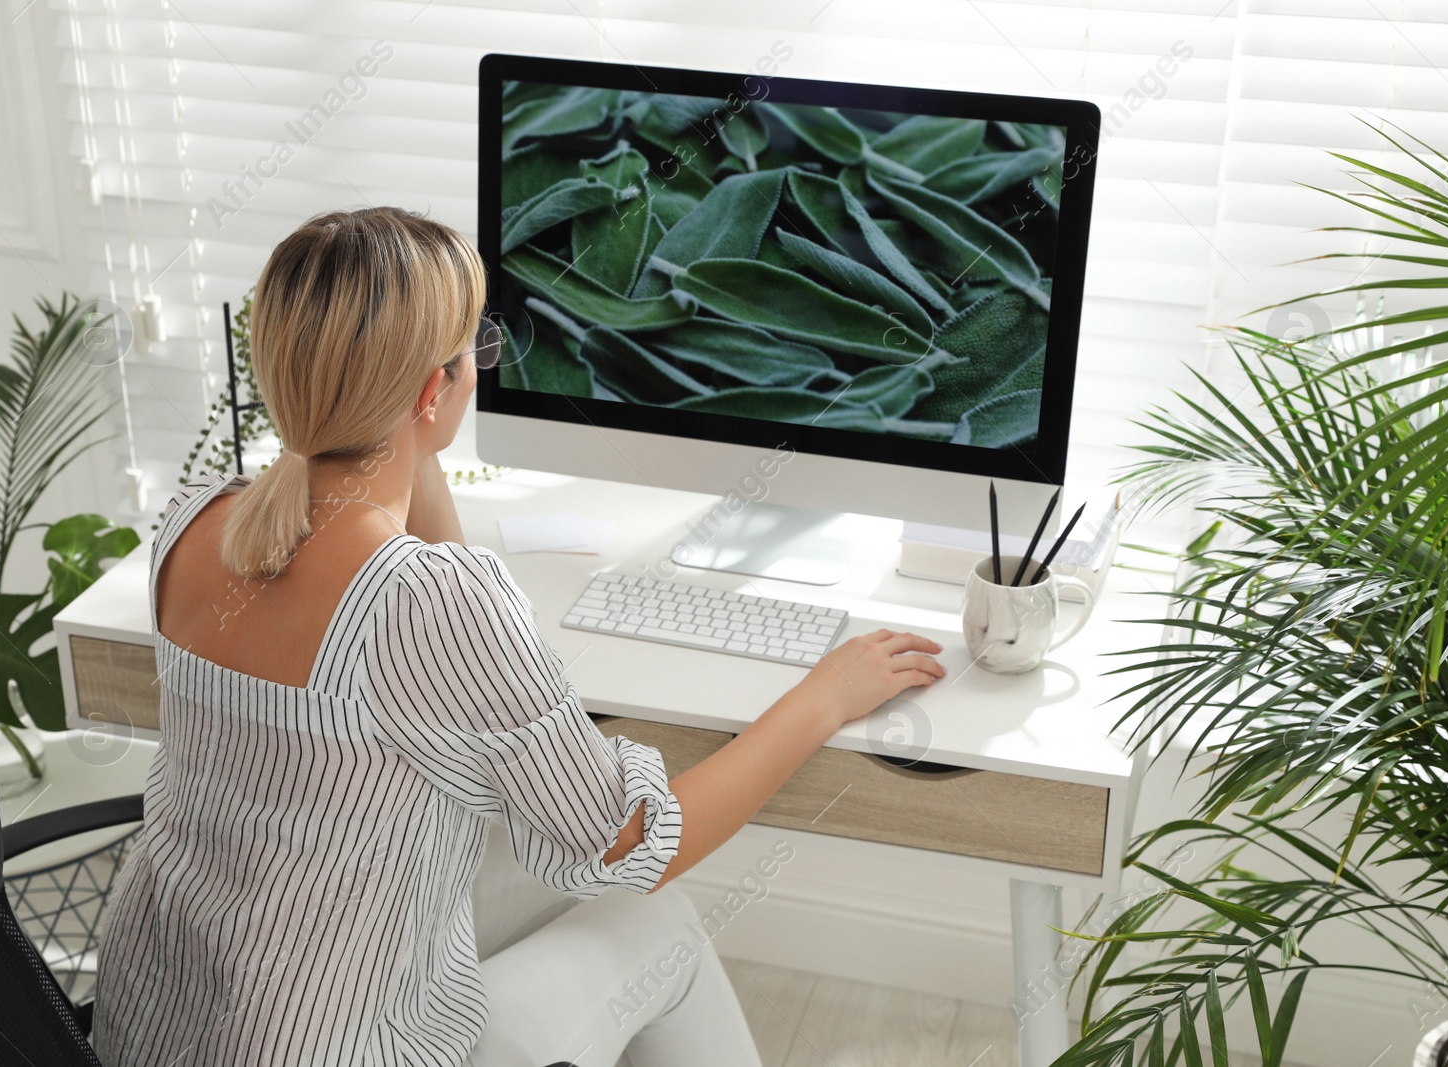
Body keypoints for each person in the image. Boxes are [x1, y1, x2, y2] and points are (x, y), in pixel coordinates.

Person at [91, 206, 946, 1067]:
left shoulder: (196, 520)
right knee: (659, 917)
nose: (482, 367)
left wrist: (404, 431)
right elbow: (628, 841)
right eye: (475, 352)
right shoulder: (427, 602)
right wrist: (819, 697)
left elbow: (427, 620)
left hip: (161, 1026)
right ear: (436, 392)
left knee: (508, 848)